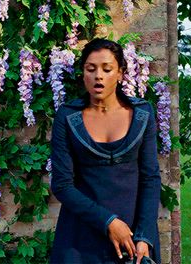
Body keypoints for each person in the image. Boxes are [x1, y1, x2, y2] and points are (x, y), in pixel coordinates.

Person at [50, 38, 161, 264]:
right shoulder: (67, 116)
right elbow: (62, 185)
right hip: (79, 239)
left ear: (120, 74)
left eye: (107, 69)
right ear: (83, 74)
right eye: (91, 69)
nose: (98, 75)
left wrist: (144, 236)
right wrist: (108, 221)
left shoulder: (142, 114)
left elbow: (150, 178)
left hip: (132, 239)